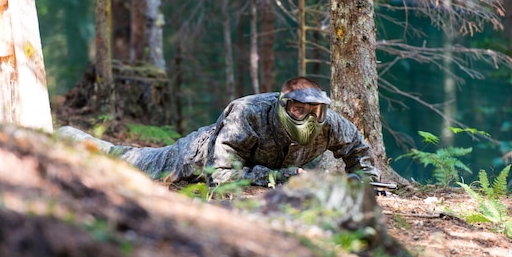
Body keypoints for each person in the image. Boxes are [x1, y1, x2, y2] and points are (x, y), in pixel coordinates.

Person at [58, 77, 381, 187]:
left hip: (247, 166)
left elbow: (359, 154)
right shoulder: (249, 113)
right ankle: (68, 136)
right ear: (283, 106)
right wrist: (278, 178)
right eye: (299, 110)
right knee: (128, 160)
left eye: (315, 111)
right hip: (194, 158)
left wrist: (362, 181)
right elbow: (221, 174)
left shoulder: (332, 123)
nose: (309, 118)